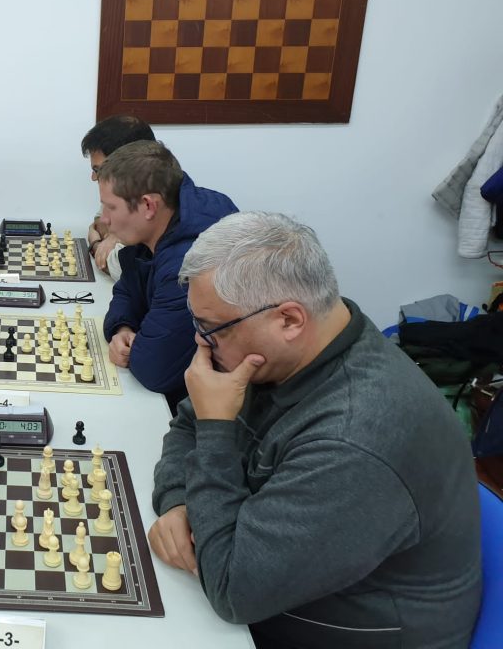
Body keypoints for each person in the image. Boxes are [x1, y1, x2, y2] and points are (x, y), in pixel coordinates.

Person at [149, 212, 481, 649]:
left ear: (289, 319)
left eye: (211, 329)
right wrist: (176, 500)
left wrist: (215, 431)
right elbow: (189, 422)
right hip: (267, 595)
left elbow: (234, 589)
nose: (200, 344)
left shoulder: (356, 438)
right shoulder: (290, 350)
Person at [99, 141, 237, 412]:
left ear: (148, 206)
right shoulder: (161, 226)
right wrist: (123, 328)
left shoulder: (189, 264)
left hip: (202, 406)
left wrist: (134, 345)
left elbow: (154, 369)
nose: (104, 219)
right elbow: (126, 289)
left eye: (110, 208)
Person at [80, 114, 156, 279]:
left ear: (128, 165)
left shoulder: (151, 202)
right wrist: (113, 235)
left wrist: (95, 242)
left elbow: (119, 268)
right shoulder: (128, 190)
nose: (93, 177)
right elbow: (100, 222)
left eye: (98, 170)